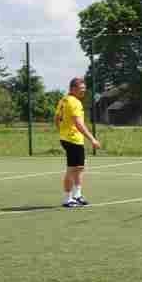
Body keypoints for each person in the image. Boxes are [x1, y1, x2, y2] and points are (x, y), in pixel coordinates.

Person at [55, 77, 100, 208]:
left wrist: (62, 131)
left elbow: (57, 119)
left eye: (84, 88)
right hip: (73, 139)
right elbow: (79, 123)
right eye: (81, 89)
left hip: (68, 138)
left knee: (79, 168)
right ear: (73, 88)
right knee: (72, 169)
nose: (83, 91)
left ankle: (77, 195)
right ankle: (68, 199)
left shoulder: (63, 100)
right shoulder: (74, 102)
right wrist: (92, 139)